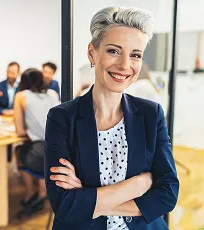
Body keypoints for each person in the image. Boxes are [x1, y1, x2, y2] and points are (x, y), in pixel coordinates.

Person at [44, 7, 179, 230]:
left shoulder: (151, 114)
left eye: (135, 55)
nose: (125, 65)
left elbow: (167, 195)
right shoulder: (62, 118)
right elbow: (64, 205)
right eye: (114, 51)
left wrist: (90, 200)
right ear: (92, 53)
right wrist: (138, 185)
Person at [13, 68, 59, 210]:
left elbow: (20, 131)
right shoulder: (53, 93)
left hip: (40, 151)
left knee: (19, 150)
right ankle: (42, 191)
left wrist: (32, 131)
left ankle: (29, 193)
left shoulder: (21, 96)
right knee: (38, 152)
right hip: (60, 149)